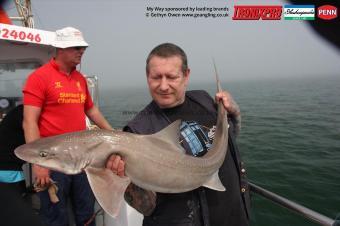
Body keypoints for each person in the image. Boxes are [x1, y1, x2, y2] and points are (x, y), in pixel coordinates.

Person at [106, 43, 251, 226]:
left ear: (186, 75)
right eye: (156, 77)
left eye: (172, 77)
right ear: (147, 76)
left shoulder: (204, 99)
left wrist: (234, 113)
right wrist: (123, 181)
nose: (163, 86)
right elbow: (147, 207)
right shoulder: (138, 131)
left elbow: (228, 142)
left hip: (236, 217)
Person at [23, 27, 112, 226]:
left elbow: (91, 110)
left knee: (85, 210)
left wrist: (113, 134)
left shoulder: (80, 79)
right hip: (53, 161)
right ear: (60, 49)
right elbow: (29, 121)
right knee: (55, 214)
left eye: (83, 48)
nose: (82, 51)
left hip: (82, 159)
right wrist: (39, 164)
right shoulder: (39, 78)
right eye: (77, 47)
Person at [0, 104, 26, 196]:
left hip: (9, 168)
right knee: (12, 204)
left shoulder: (18, 111)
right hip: (9, 170)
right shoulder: (24, 112)